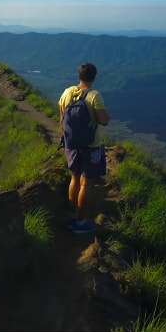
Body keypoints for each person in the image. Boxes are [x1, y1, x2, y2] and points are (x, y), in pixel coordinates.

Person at [58, 62, 110, 234]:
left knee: (74, 179)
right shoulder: (94, 96)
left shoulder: (67, 93)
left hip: (71, 146)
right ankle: (80, 223)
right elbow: (104, 121)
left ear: (78, 76)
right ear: (93, 77)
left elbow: (62, 119)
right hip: (91, 146)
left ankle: (73, 216)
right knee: (86, 184)